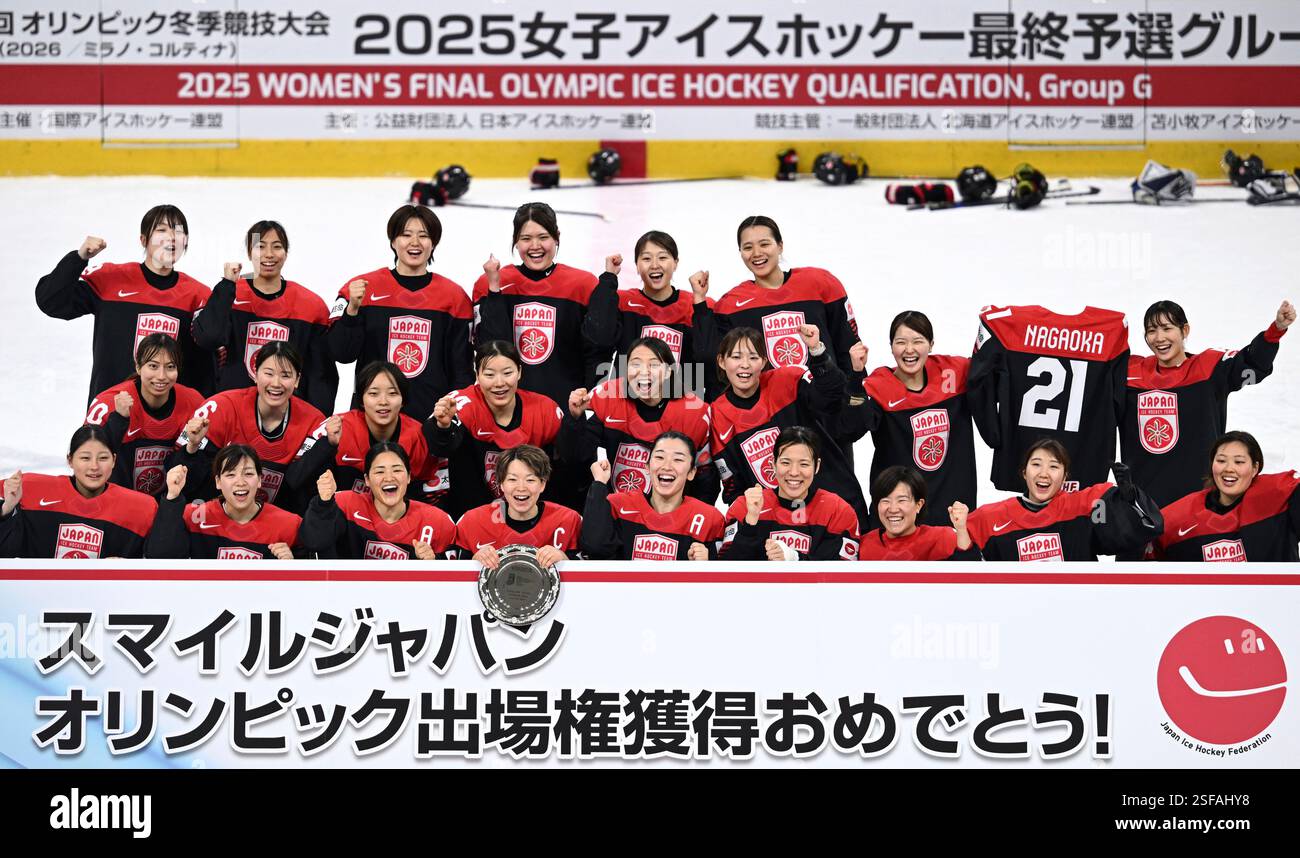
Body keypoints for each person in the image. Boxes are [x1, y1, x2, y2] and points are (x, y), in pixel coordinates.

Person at [1122, 299, 1294, 507]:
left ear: (1184, 330)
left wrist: (1275, 331)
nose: (1159, 338)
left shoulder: (1210, 368)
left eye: (1167, 328)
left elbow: (1252, 364)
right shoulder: (1131, 373)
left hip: (1200, 503)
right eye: (1151, 331)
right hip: (1144, 505)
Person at [35, 204, 213, 402]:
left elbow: (206, 369)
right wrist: (79, 258)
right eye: (161, 230)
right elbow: (50, 301)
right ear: (143, 239)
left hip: (167, 422)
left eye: (178, 232)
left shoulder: (199, 296)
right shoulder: (110, 280)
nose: (171, 237)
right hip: (109, 415)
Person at [710, 326, 867, 524]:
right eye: (736, 357)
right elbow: (734, 488)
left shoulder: (789, 380)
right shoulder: (717, 415)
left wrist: (818, 353)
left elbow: (833, 398)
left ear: (764, 362)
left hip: (833, 507)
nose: (745, 365)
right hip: (777, 526)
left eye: (753, 357)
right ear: (722, 361)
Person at [328, 205, 472, 420]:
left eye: (423, 235)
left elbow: (462, 372)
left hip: (431, 421)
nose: (415, 242)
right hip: (372, 419)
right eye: (406, 235)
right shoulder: (362, 289)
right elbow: (341, 354)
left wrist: (452, 421)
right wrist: (352, 310)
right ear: (393, 241)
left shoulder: (454, 297)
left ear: (434, 243)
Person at [968, 303, 1129, 492]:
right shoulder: (1111, 328)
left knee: (1025, 514)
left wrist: (995, 435)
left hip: (1018, 454)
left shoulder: (1004, 322)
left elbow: (977, 384)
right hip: (1085, 462)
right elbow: (1120, 401)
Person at [472, 202, 611, 408]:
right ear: (516, 242)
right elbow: (486, 350)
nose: (535, 246)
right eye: (526, 239)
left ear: (557, 237)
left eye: (543, 237)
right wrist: (494, 290)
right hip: (507, 412)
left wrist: (591, 400)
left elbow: (598, 352)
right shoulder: (491, 283)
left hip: (566, 408)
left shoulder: (583, 285)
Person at [847, 311, 978, 527]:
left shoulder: (953, 374)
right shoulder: (879, 386)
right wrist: (856, 374)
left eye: (918, 341)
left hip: (951, 516)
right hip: (897, 518)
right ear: (891, 347)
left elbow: (991, 367)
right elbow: (851, 429)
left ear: (931, 344)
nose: (909, 350)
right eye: (901, 342)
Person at [191, 220, 337, 414]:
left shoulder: (310, 306)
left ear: (286, 254)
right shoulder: (230, 295)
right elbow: (207, 338)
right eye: (260, 246)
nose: (269, 254)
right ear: (250, 253)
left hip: (287, 418)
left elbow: (321, 375)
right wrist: (227, 285)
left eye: (277, 247)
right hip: (234, 412)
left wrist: (317, 422)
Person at [561, 336, 717, 503]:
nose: (644, 371)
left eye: (654, 364)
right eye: (635, 364)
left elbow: (705, 476)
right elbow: (576, 457)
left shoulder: (694, 412)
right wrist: (575, 419)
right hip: (616, 507)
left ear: (668, 371)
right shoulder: (606, 397)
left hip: (669, 513)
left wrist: (690, 516)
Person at [171, 342, 325, 509]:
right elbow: (179, 477)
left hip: (273, 525)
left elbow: (304, 493)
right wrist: (192, 446)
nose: (276, 383)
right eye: (269, 373)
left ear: (297, 380)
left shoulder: (314, 422)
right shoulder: (221, 407)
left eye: (286, 375)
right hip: (216, 517)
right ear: (255, 374)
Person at [707, 215, 859, 380]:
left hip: (825, 397)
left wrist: (854, 392)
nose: (757, 253)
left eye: (764, 244)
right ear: (740, 253)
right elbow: (715, 365)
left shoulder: (821, 283)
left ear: (780, 246)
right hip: (770, 404)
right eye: (748, 247)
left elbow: (848, 346)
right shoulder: (730, 304)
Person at [426, 341, 564, 520]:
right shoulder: (459, 404)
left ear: (520, 372)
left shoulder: (544, 409)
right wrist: (443, 426)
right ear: (477, 375)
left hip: (531, 519)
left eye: (508, 373)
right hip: (471, 520)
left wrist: (575, 422)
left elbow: (570, 461)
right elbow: (436, 447)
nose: (499, 383)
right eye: (490, 374)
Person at [964, 439, 1163, 561]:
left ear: (1065, 476)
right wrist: (960, 526)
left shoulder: (1085, 507)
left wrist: (1130, 499)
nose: (1044, 473)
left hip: (1075, 613)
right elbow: (960, 559)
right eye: (1036, 464)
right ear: (1024, 473)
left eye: (1053, 466)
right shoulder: (990, 519)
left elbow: (1136, 532)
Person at [288, 361, 440, 503]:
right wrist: (327, 445)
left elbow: (435, 496)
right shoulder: (335, 427)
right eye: (374, 393)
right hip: (341, 519)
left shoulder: (419, 437)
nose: (383, 401)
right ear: (360, 399)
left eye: (392, 393)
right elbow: (294, 479)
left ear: (403, 400)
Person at [0, 425, 156, 558]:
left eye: (102, 458)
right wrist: (7, 509)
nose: (94, 466)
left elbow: (160, 557)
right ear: (70, 460)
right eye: (85, 458)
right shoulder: (27, 489)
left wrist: (127, 567)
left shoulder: (141, 507)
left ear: (114, 460)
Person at [583, 230, 715, 386]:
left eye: (663, 257)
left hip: (679, 405)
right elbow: (599, 338)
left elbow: (709, 359)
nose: (654, 265)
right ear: (637, 266)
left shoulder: (696, 306)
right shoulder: (624, 302)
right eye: (646, 258)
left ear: (676, 263)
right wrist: (609, 278)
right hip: (631, 403)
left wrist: (700, 304)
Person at [84, 332, 205, 496]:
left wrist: (192, 446)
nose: (161, 376)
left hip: (167, 502)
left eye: (170, 367)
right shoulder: (107, 403)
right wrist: (118, 421)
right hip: (115, 502)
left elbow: (194, 474)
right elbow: (88, 464)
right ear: (138, 367)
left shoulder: (194, 404)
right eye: (153, 366)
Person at [1152, 431, 1300, 562]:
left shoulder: (1280, 496)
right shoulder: (1179, 516)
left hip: (1276, 593)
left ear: (1255, 468)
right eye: (1221, 461)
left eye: (1239, 462)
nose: (1229, 469)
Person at [299, 441, 456, 560]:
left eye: (397, 470)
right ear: (367, 479)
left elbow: (454, 583)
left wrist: (434, 563)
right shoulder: (343, 504)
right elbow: (314, 542)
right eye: (380, 471)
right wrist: (324, 503)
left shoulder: (437, 521)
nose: (389, 477)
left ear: (408, 477)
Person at [721, 427, 860, 561]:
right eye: (786, 463)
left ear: (816, 466)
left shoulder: (837, 510)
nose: (794, 472)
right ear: (773, 464)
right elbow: (726, 571)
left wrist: (795, 558)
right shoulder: (744, 506)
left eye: (804, 464)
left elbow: (841, 573)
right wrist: (750, 522)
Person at [581, 431, 725, 560]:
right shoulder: (617, 506)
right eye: (660, 457)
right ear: (647, 467)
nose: (667, 466)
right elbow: (594, 548)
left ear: (691, 473)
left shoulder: (709, 519)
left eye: (678, 459)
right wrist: (599, 483)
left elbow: (723, 581)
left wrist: (707, 561)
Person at [146, 446, 301, 559]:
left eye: (248, 473)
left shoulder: (289, 524)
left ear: (260, 480)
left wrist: (293, 566)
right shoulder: (195, 516)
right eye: (231, 474)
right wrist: (172, 496)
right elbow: (159, 557)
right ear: (218, 482)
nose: (240, 482)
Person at [452, 445, 581, 569]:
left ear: (542, 484)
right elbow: (453, 579)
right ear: (501, 484)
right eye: (512, 480)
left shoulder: (568, 520)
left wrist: (565, 560)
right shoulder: (473, 521)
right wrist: (473, 562)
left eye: (530, 480)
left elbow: (590, 577)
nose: (521, 488)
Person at [858, 466, 980, 560]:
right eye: (885, 501)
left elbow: (971, 574)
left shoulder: (942, 538)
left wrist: (961, 529)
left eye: (901, 500)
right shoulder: (863, 545)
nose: (893, 509)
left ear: (918, 505)